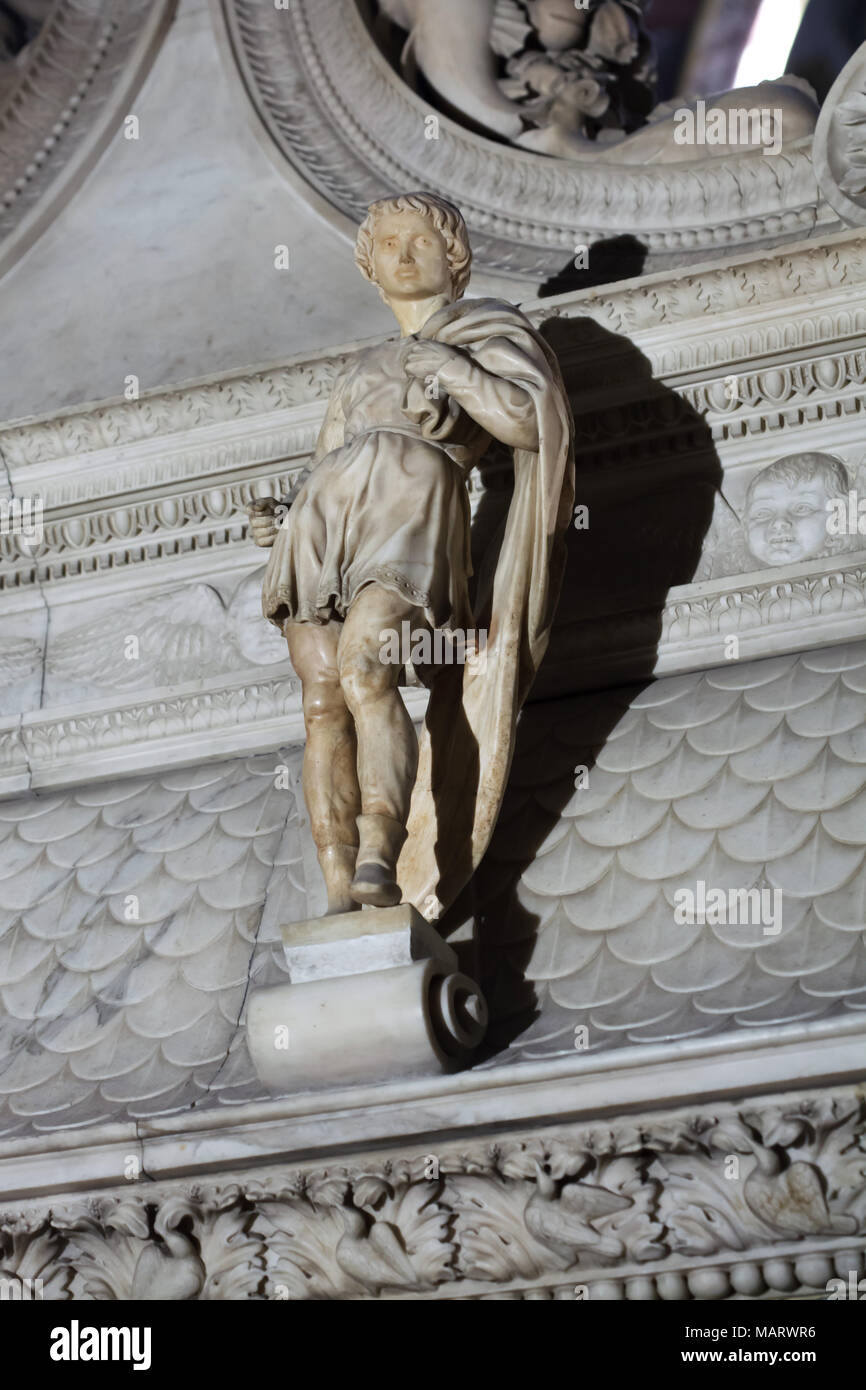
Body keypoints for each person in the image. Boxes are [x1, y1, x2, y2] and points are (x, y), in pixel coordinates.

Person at [248, 192, 573, 919]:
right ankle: (337, 891)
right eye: (387, 243)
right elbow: (328, 459)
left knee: (369, 665)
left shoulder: (487, 331)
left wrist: (451, 371)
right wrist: (285, 516)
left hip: (415, 507)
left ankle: (379, 856)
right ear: (370, 263)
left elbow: (531, 420)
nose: (401, 254)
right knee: (322, 702)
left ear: (453, 258)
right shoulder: (359, 368)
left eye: (418, 241)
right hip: (325, 523)